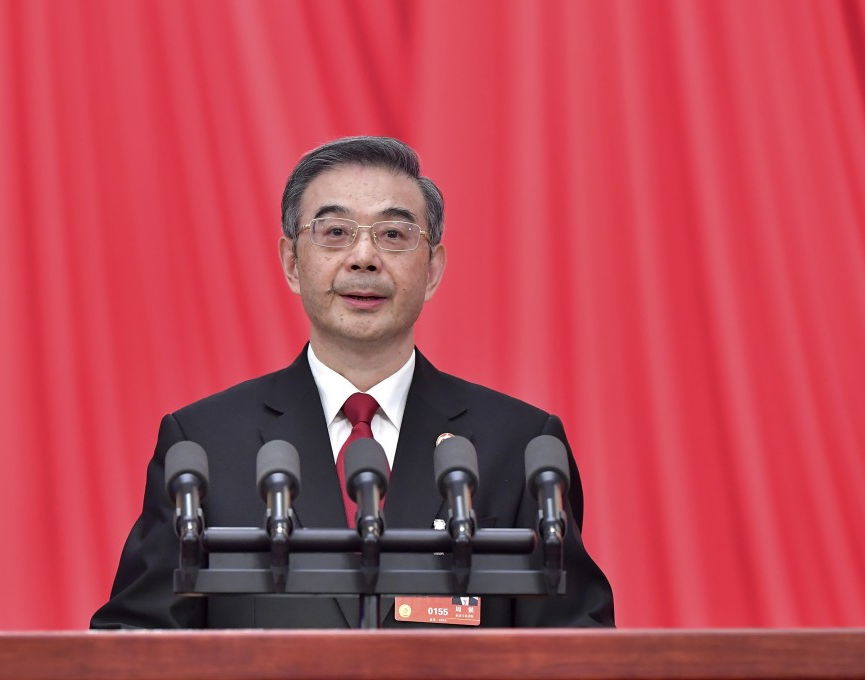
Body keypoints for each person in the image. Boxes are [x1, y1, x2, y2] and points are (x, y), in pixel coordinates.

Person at [90, 136, 614, 629]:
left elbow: (576, 651)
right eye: (335, 233)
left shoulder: (518, 446)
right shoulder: (203, 445)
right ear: (292, 263)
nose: (364, 257)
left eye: (393, 234)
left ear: (433, 269)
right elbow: (136, 645)